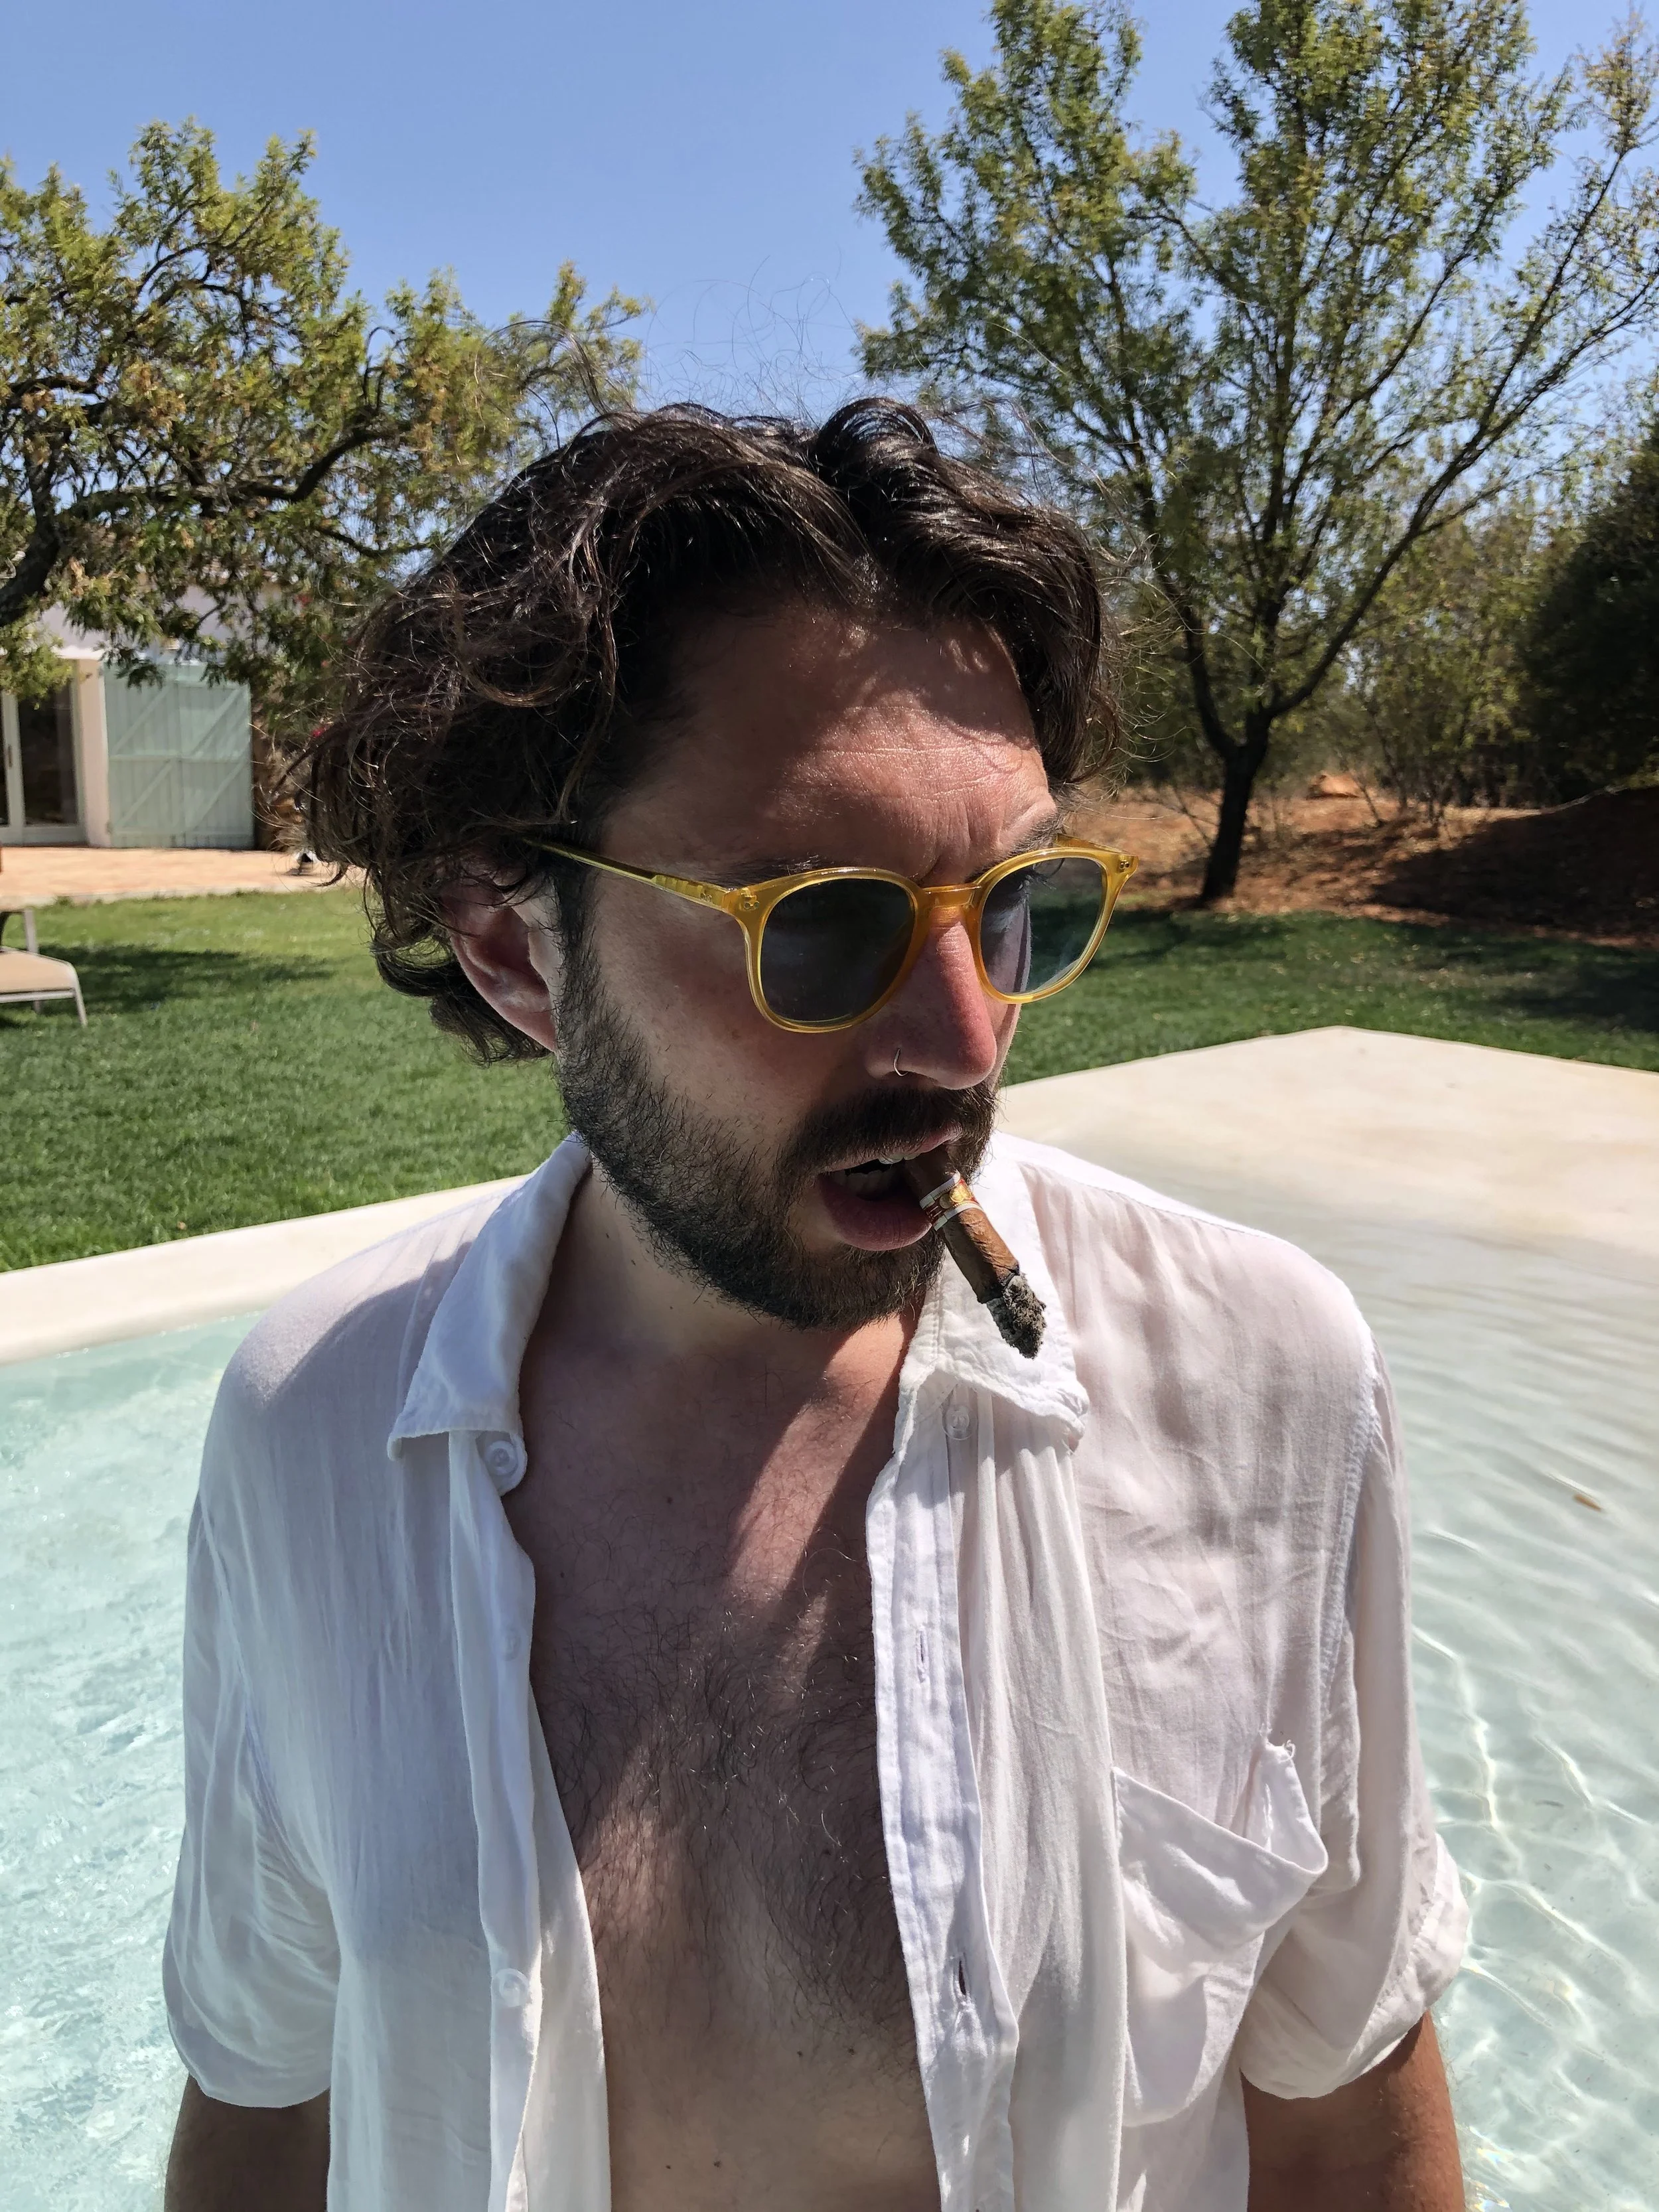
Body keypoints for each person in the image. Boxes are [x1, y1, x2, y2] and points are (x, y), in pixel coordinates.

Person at [162, 402, 1467, 2212]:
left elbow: (1345, 2114)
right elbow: (266, 2099)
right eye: (825, 925)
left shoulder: (1267, 1385)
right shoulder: (312, 1426)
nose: (966, 1040)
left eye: (1013, 905)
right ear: (513, 944)